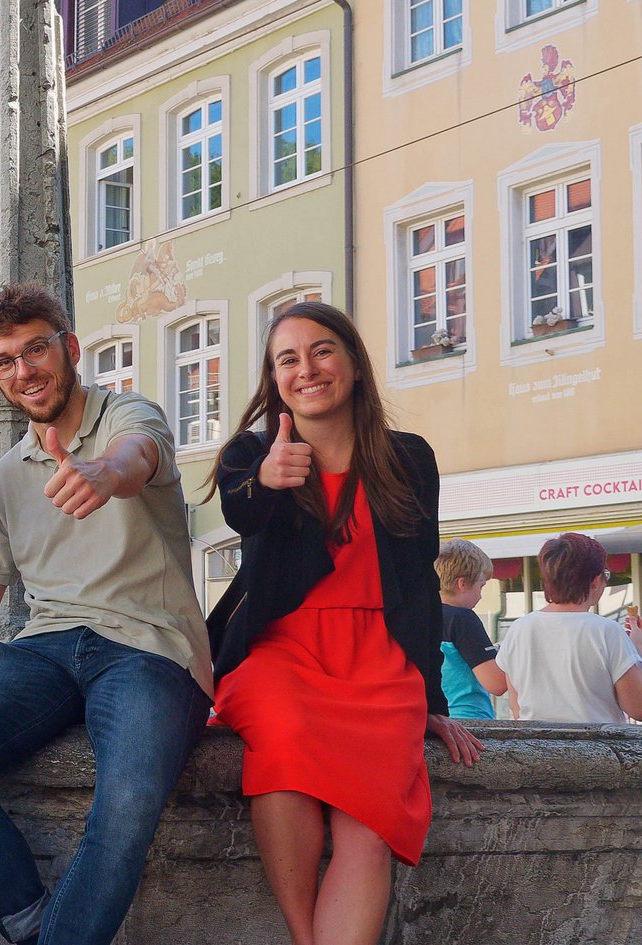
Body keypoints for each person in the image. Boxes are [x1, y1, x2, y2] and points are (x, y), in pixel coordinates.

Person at [0, 284, 213, 945]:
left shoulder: (128, 415)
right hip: (44, 650)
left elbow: (138, 455)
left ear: (68, 348)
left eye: (35, 349)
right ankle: (33, 923)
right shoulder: (9, 476)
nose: (24, 370)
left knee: (129, 797)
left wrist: (103, 472)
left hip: (146, 647)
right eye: (5, 359)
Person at [206, 300, 482, 945]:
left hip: (380, 658)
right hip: (282, 650)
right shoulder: (252, 453)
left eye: (323, 350)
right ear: (275, 380)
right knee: (284, 746)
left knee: (368, 826)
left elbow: (418, 580)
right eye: (288, 359)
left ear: (354, 363)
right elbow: (239, 515)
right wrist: (268, 483)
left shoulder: (407, 458)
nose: (308, 369)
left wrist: (429, 697)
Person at [494, 533, 642, 723]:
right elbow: (638, 708)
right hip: (596, 748)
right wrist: (637, 649)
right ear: (595, 581)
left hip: (535, 745)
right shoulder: (607, 631)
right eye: (606, 576)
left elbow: (517, 708)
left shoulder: (519, 629)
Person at [434, 538, 506, 719]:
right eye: (481, 586)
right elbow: (496, 684)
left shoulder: (421, 616)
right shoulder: (462, 619)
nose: (481, 596)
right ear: (462, 584)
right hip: (469, 720)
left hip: (434, 719)